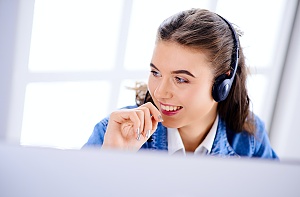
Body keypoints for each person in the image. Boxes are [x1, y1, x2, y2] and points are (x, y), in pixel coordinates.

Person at [83, 8, 278, 159]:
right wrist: (111, 162)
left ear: (222, 83)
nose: (160, 93)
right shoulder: (113, 132)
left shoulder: (249, 138)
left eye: (181, 79)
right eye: (156, 72)